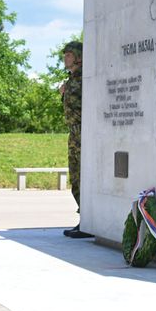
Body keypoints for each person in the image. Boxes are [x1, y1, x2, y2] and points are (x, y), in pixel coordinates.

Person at [60, 41, 93, 239]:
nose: (66, 58)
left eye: (69, 55)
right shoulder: (72, 79)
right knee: (75, 177)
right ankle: (84, 219)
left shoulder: (86, 78)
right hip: (74, 133)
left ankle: (87, 222)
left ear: (79, 56)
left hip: (83, 132)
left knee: (83, 176)